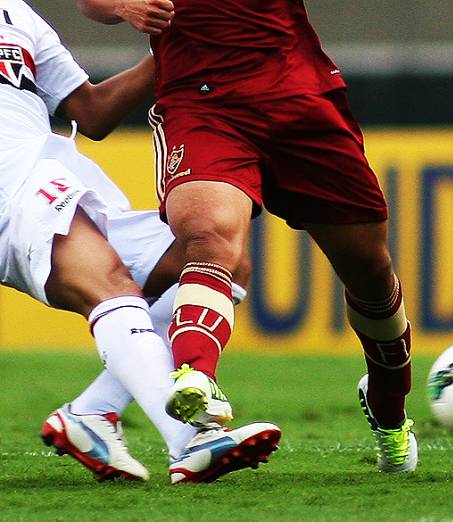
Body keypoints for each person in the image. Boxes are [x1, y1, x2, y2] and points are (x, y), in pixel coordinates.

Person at [77, 0, 417, 472]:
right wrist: (122, 5)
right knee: (208, 236)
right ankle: (195, 377)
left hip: (296, 94)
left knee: (370, 271)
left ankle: (389, 410)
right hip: (202, 103)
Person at [0, 0, 279, 483]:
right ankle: (192, 440)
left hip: (39, 178)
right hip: (9, 188)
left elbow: (92, 111)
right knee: (111, 288)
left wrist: (181, 45)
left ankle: (92, 412)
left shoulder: (15, 15)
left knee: (219, 265)